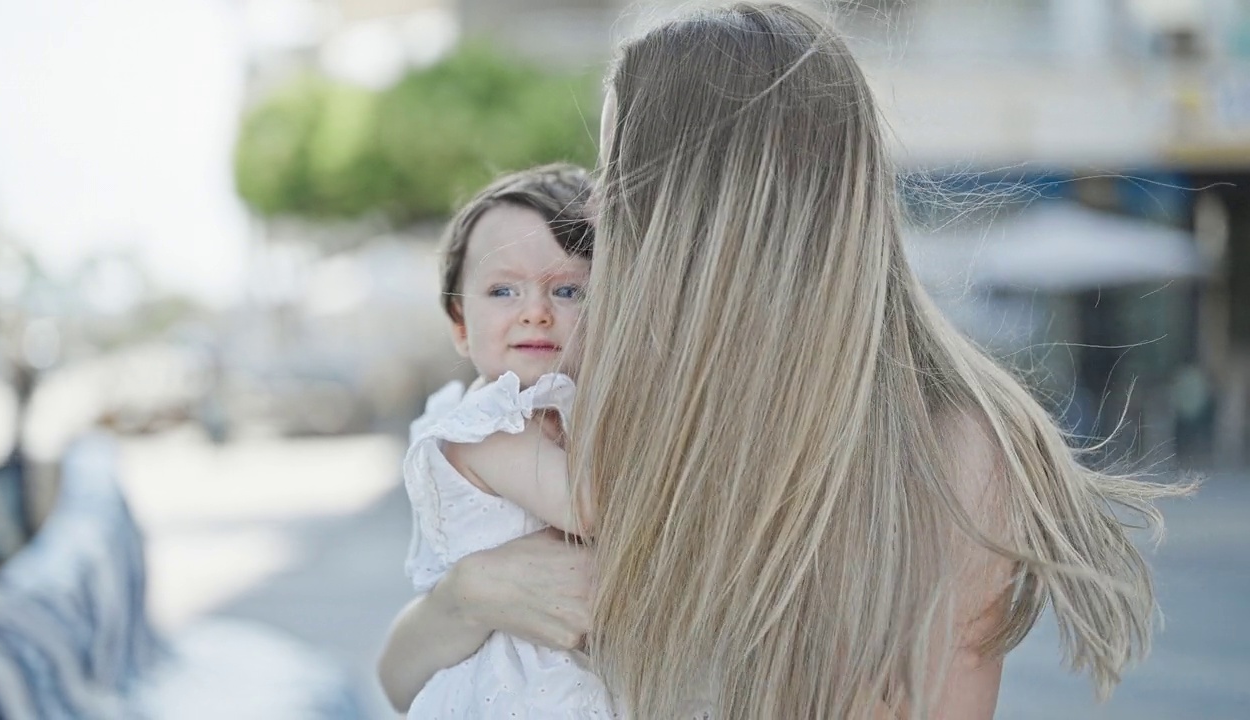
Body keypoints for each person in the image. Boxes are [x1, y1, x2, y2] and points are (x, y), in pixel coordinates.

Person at [381, 4, 1188, 718]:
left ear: (696, 212)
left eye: (619, 174)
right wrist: (471, 594)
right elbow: (404, 678)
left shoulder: (951, 449)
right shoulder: (621, 388)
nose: (596, 209)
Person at [395, 163, 611, 717]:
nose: (536, 312)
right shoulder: (484, 427)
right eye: (503, 290)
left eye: (568, 290)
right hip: (514, 688)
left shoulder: (562, 410)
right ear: (460, 325)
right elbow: (587, 506)